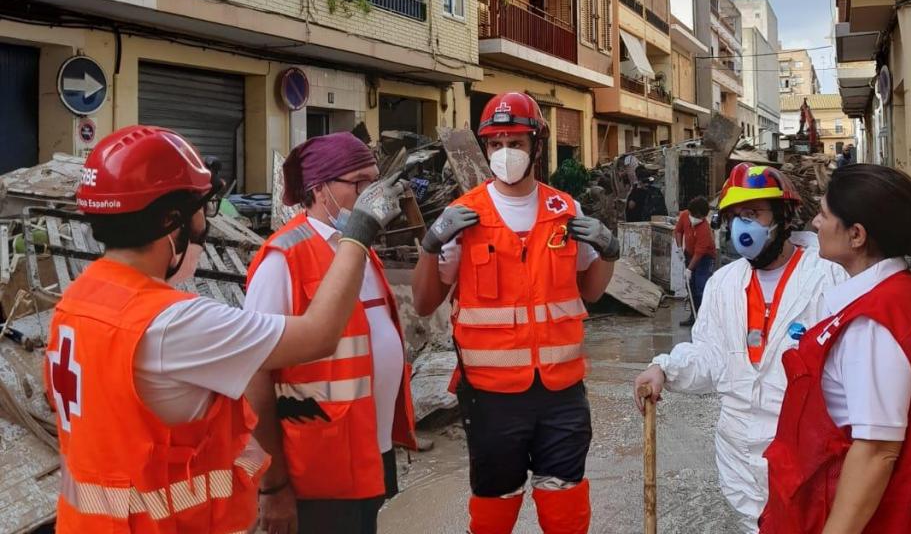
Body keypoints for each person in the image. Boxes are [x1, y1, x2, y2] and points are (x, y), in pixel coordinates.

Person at [45, 125, 405, 533]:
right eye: (201, 207)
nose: (205, 221)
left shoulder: (76, 303)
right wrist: (358, 233)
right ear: (171, 220)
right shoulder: (174, 323)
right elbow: (319, 334)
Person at [412, 92, 618, 534]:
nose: (505, 153)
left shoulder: (566, 211)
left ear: (536, 146)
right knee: (493, 510)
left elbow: (591, 293)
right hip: (491, 398)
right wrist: (430, 248)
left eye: (516, 143)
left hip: (561, 393)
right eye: (496, 144)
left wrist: (609, 253)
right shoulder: (462, 216)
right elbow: (425, 303)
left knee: (565, 506)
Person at [632, 163, 846, 532]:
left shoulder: (828, 277)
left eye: (753, 214)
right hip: (740, 454)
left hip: (807, 454)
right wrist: (663, 369)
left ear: (784, 216)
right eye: (734, 216)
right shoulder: (723, 284)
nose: (742, 226)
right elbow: (711, 357)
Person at [760, 164, 911, 533]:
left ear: (856, 235)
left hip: (883, 516)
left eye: (824, 215)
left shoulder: (872, 324)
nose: (815, 225)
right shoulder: (910, 296)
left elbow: (876, 452)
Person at [244, 132, 417, 534]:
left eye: (374, 182)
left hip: (365, 457)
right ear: (320, 189)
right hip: (315, 471)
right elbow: (254, 381)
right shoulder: (283, 259)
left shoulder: (360, 251)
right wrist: (273, 486)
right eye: (360, 183)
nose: (372, 195)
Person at [674, 196, 717, 325]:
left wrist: (689, 269)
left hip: (705, 259)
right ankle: (694, 316)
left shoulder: (704, 229)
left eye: (700, 217)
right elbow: (678, 231)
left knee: (701, 287)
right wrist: (680, 248)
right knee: (690, 286)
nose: (697, 218)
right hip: (689, 254)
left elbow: (700, 253)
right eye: (696, 215)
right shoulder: (685, 215)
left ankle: (705, 320)